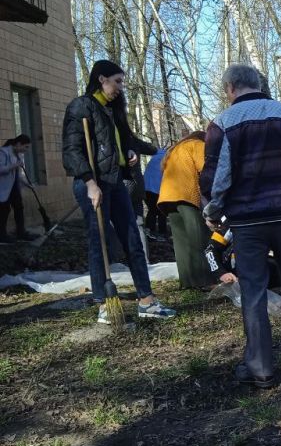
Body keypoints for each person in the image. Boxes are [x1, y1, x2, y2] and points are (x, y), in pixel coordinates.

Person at [200, 63, 281, 389]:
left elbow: (218, 177)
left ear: (230, 89)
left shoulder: (223, 123)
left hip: (247, 220)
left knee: (253, 292)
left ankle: (261, 369)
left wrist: (212, 209)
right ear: (259, 84)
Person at [62, 59, 176, 324]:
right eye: (117, 81)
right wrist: (90, 183)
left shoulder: (112, 109)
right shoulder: (81, 106)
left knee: (132, 239)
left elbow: (124, 141)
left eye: (121, 82)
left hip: (115, 181)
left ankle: (146, 300)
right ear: (102, 79)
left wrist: (131, 151)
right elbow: (71, 150)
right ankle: (104, 304)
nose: (120, 87)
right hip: (93, 183)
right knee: (99, 241)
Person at [158, 131, 216, 289]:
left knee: (181, 241)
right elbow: (206, 170)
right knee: (199, 238)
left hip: (167, 197)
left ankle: (187, 282)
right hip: (186, 195)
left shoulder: (175, 149)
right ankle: (206, 281)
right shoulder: (197, 145)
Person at [0, 134, 32, 243]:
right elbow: (1, 169)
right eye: (26, 147)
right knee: (4, 210)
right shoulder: (3, 152)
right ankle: (2, 235)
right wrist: (15, 165)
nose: (26, 150)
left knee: (19, 207)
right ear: (18, 144)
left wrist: (27, 183)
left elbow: (18, 174)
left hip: (14, 186)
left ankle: (21, 232)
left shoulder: (18, 155)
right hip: (4, 187)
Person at [143, 147, 169, 240]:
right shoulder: (167, 158)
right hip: (156, 189)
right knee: (162, 211)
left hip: (146, 189)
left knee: (152, 210)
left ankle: (149, 231)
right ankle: (161, 233)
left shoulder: (155, 157)